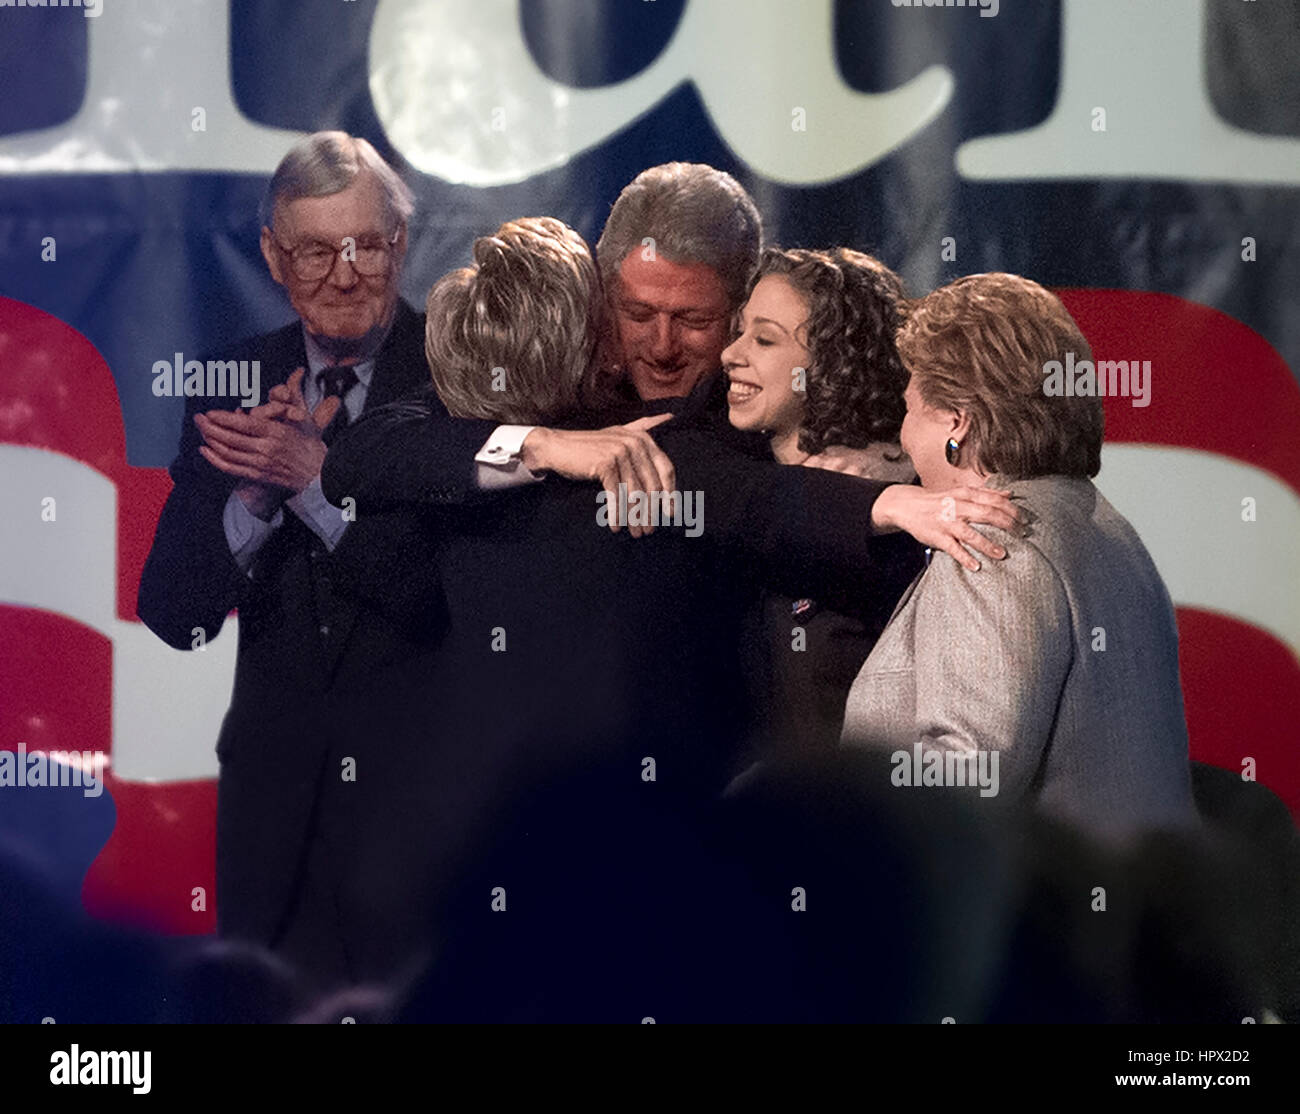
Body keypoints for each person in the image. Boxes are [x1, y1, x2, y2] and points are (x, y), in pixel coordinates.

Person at [317, 218, 1023, 986]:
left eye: (698, 321)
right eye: (630, 318)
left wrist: (884, 493)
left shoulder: (584, 455)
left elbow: (759, 496)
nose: (664, 347)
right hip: (571, 875)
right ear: (591, 339)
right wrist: (541, 445)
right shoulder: (610, 450)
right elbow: (364, 457)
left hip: (535, 882)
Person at [136, 132, 439, 993]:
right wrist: (256, 504)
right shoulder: (235, 381)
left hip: (415, 821)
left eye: (365, 245)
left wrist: (311, 482)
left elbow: (441, 602)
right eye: (314, 249)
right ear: (273, 255)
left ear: (400, 245)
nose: (343, 275)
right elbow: (174, 610)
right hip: (273, 823)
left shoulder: (457, 378)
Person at [840, 272, 1198, 840]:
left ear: (957, 421)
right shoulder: (1102, 525)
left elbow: (967, 780)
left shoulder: (993, 540)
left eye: (909, 409)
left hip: (1036, 919)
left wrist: (820, 803)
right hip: (1133, 910)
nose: (902, 435)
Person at [722, 247, 920, 757]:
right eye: (738, 331)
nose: (731, 354)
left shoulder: (890, 526)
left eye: (764, 339)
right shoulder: (730, 471)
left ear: (831, 364)